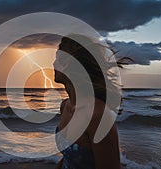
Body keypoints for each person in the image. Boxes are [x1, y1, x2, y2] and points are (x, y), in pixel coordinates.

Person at [53, 34, 127, 169]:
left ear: (71, 64)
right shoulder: (65, 106)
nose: (53, 63)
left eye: (58, 58)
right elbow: (68, 158)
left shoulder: (97, 115)